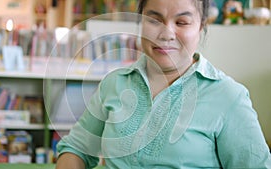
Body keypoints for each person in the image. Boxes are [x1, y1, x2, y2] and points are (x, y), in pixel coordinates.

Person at [56, 0, 271, 168]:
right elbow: (77, 148)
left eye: (182, 22)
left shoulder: (228, 97)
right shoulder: (114, 84)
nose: (166, 33)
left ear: (201, 27)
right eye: (154, 20)